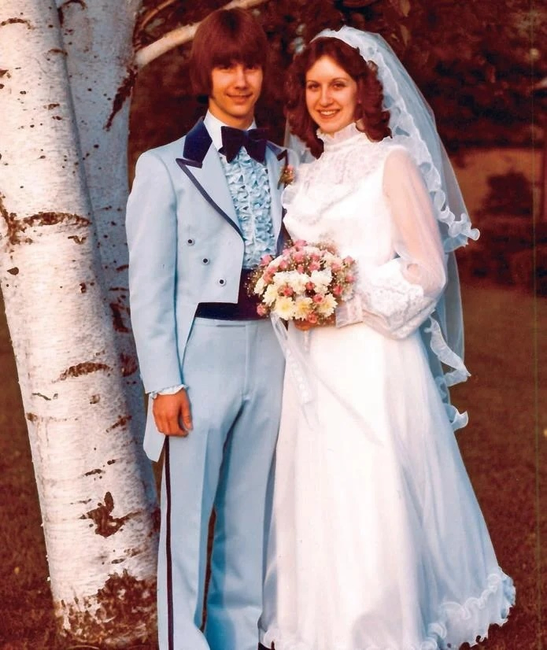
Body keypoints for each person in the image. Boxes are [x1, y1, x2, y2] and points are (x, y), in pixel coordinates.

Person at [259, 27, 515, 650]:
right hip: (314, 359)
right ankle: (315, 618)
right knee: (317, 483)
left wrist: (342, 297)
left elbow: (427, 268)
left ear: (364, 90)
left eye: (338, 85)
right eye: (314, 86)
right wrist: (295, 290)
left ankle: (386, 620)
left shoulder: (391, 161)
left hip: (374, 352)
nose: (325, 98)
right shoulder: (304, 175)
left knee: (373, 483)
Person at [126, 9, 293, 650]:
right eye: (226, 66)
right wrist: (164, 382)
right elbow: (150, 287)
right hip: (201, 359)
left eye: (250, 65)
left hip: (270, 353)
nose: (240, 79)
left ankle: (238, 638)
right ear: (206, 72)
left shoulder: (285, 162)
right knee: (188, 522)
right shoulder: (165, 167)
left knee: (249, 518)